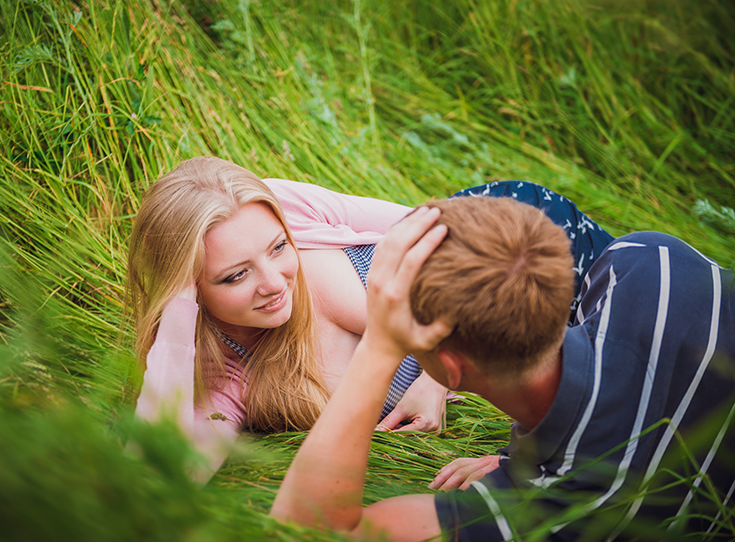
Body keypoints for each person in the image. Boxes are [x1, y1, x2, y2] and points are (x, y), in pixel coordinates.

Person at [270, 196, 735, 541]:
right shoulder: (649, 261)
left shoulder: (550, 508)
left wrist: (379, 348)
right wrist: (521, 459)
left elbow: (305, 528)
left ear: (449, 369)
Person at [127, 157, 613, 482]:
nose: (275, 282)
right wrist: (173, 329)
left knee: (630, 337)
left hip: (502, 247)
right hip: (496, 302)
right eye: (235, 277)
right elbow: (159, 484)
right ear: (189, 290)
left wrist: (433, 375)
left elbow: (437, 226)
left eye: (279, 247)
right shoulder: (225, 379)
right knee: (620, 394)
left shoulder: (276, 206)